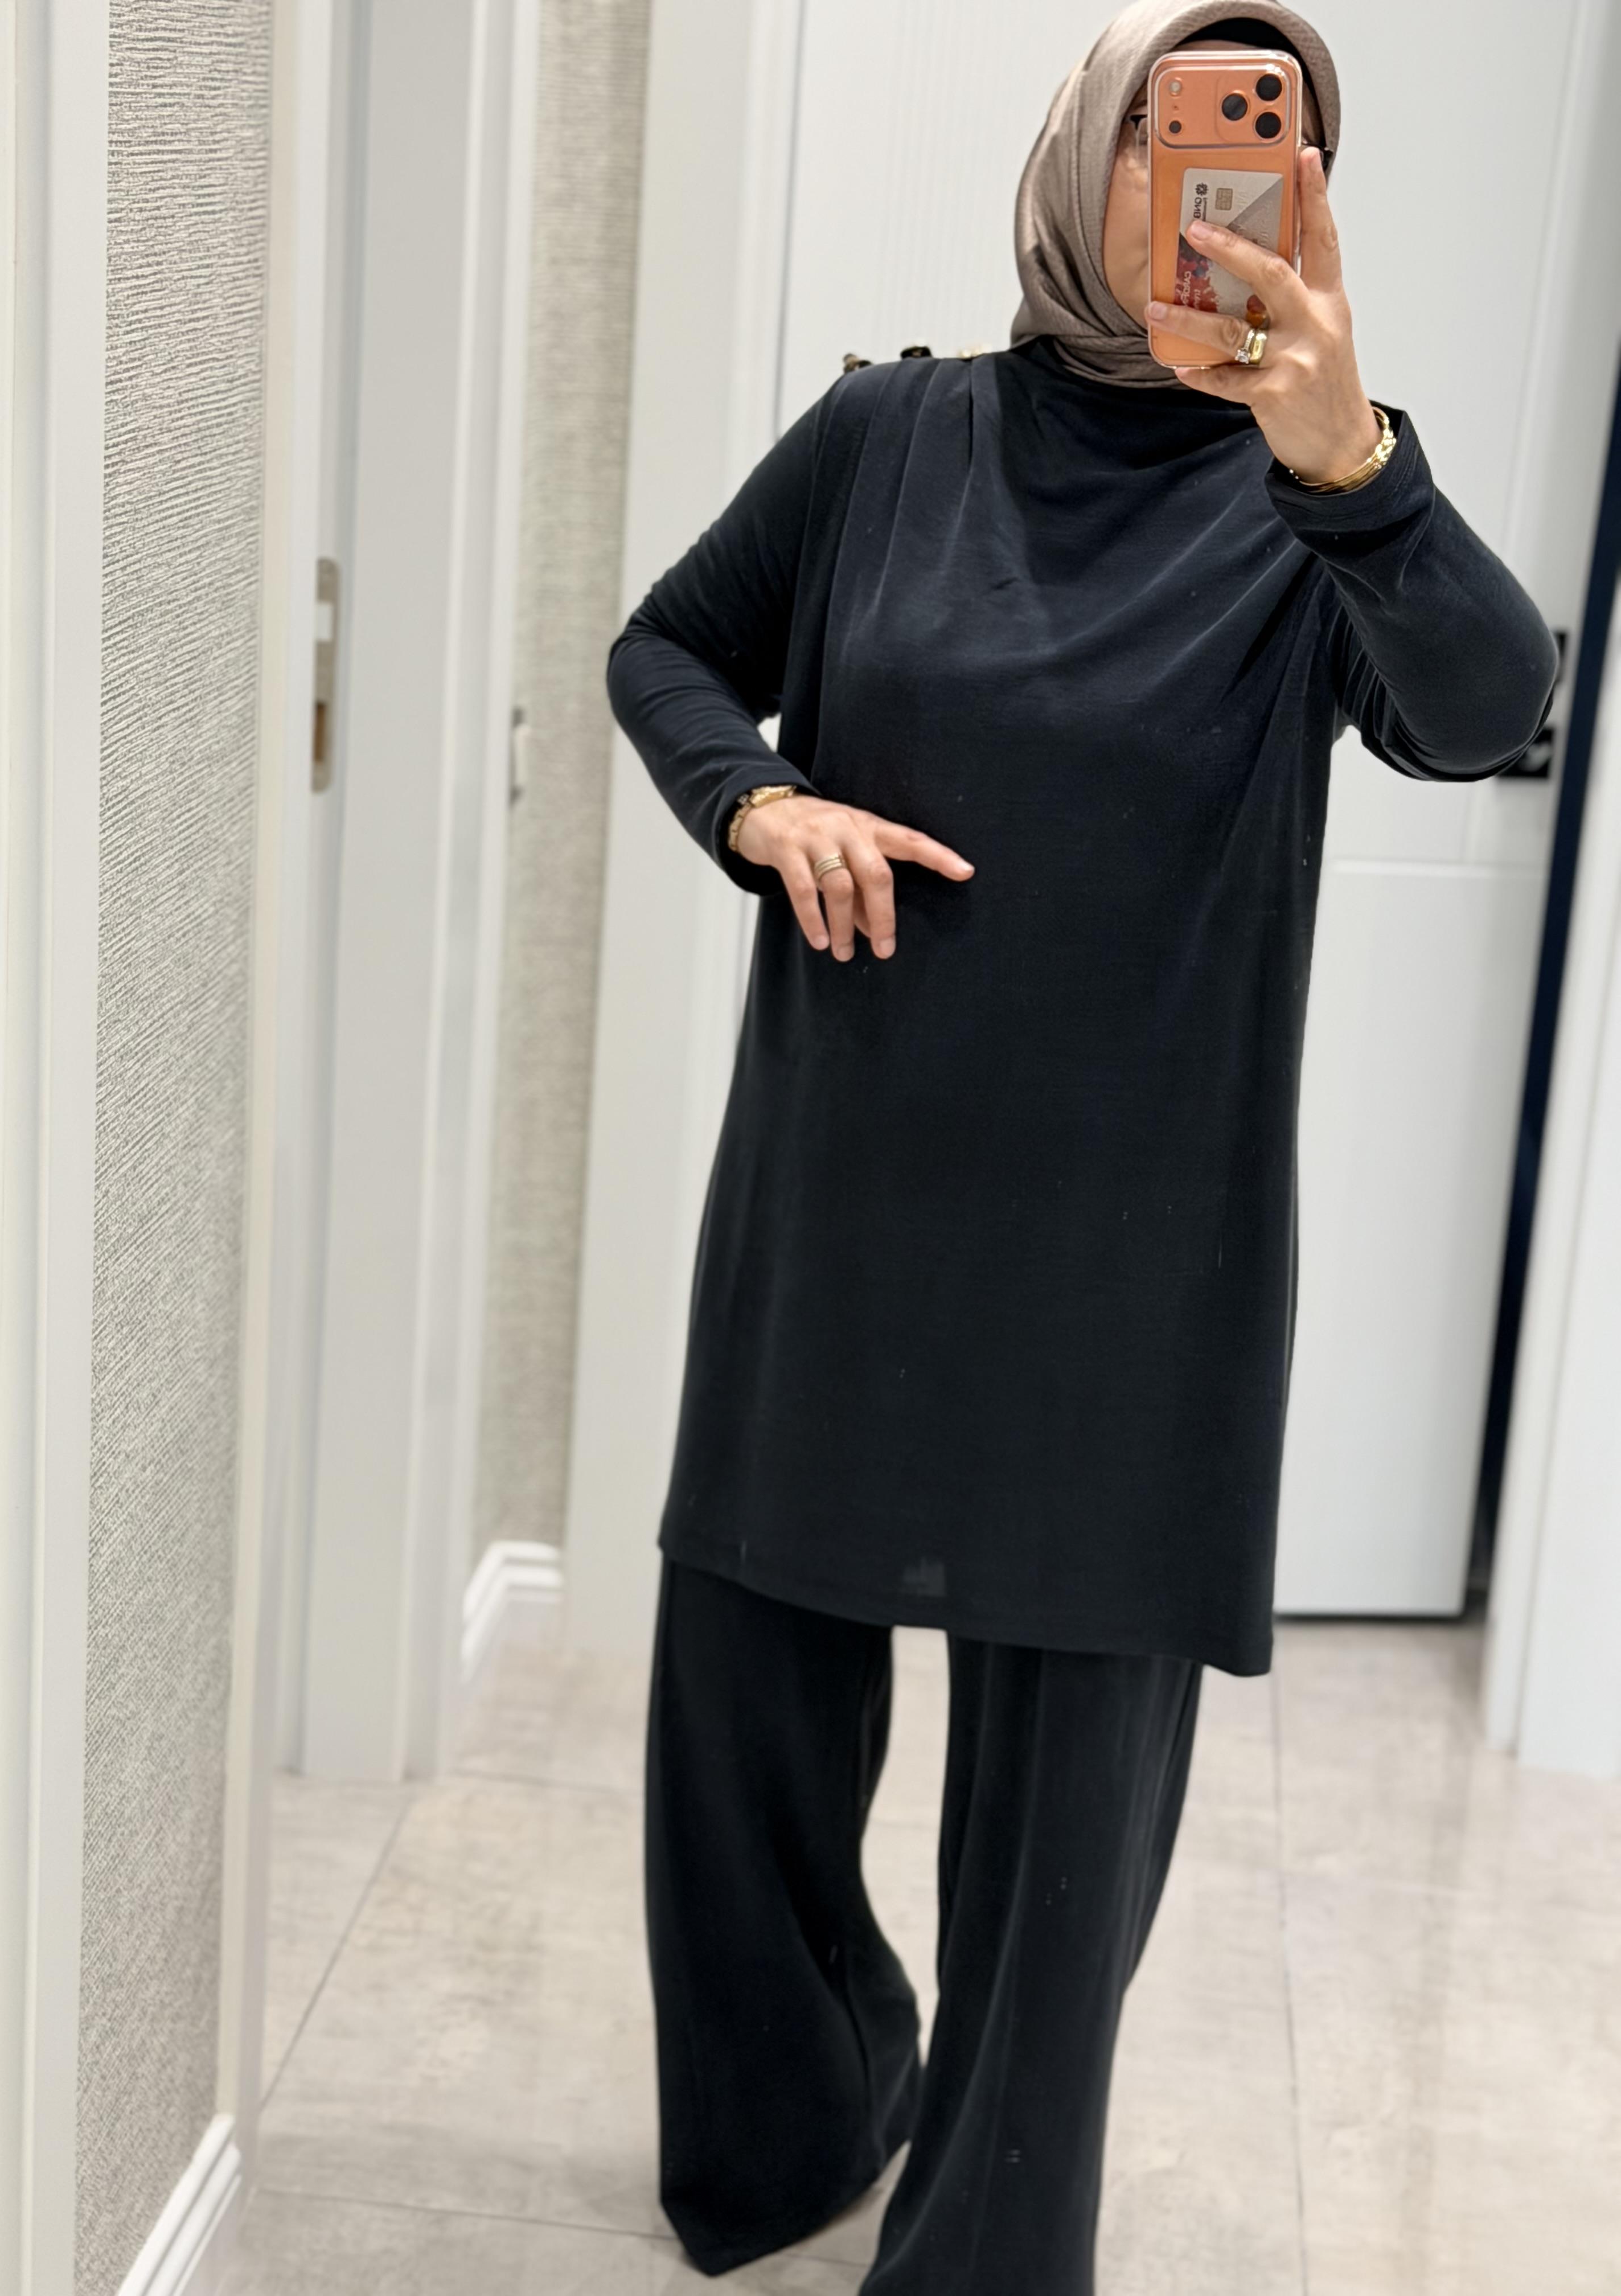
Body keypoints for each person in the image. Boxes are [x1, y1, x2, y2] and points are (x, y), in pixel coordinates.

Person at [606, 2, 1557, 2287]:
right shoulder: (888, 437)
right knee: (739, 1744)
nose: (1220, 182)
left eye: (1276, 141)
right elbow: (669, 651)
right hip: (845, 1211)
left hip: (1140, 1274)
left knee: (1053, 1865)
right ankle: (797, 2116)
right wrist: (762, 802)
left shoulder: (1322, 498)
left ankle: (984, 2251)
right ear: (1080, 160)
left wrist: (1353, 462)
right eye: (1177, 130)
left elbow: (1488, 709)